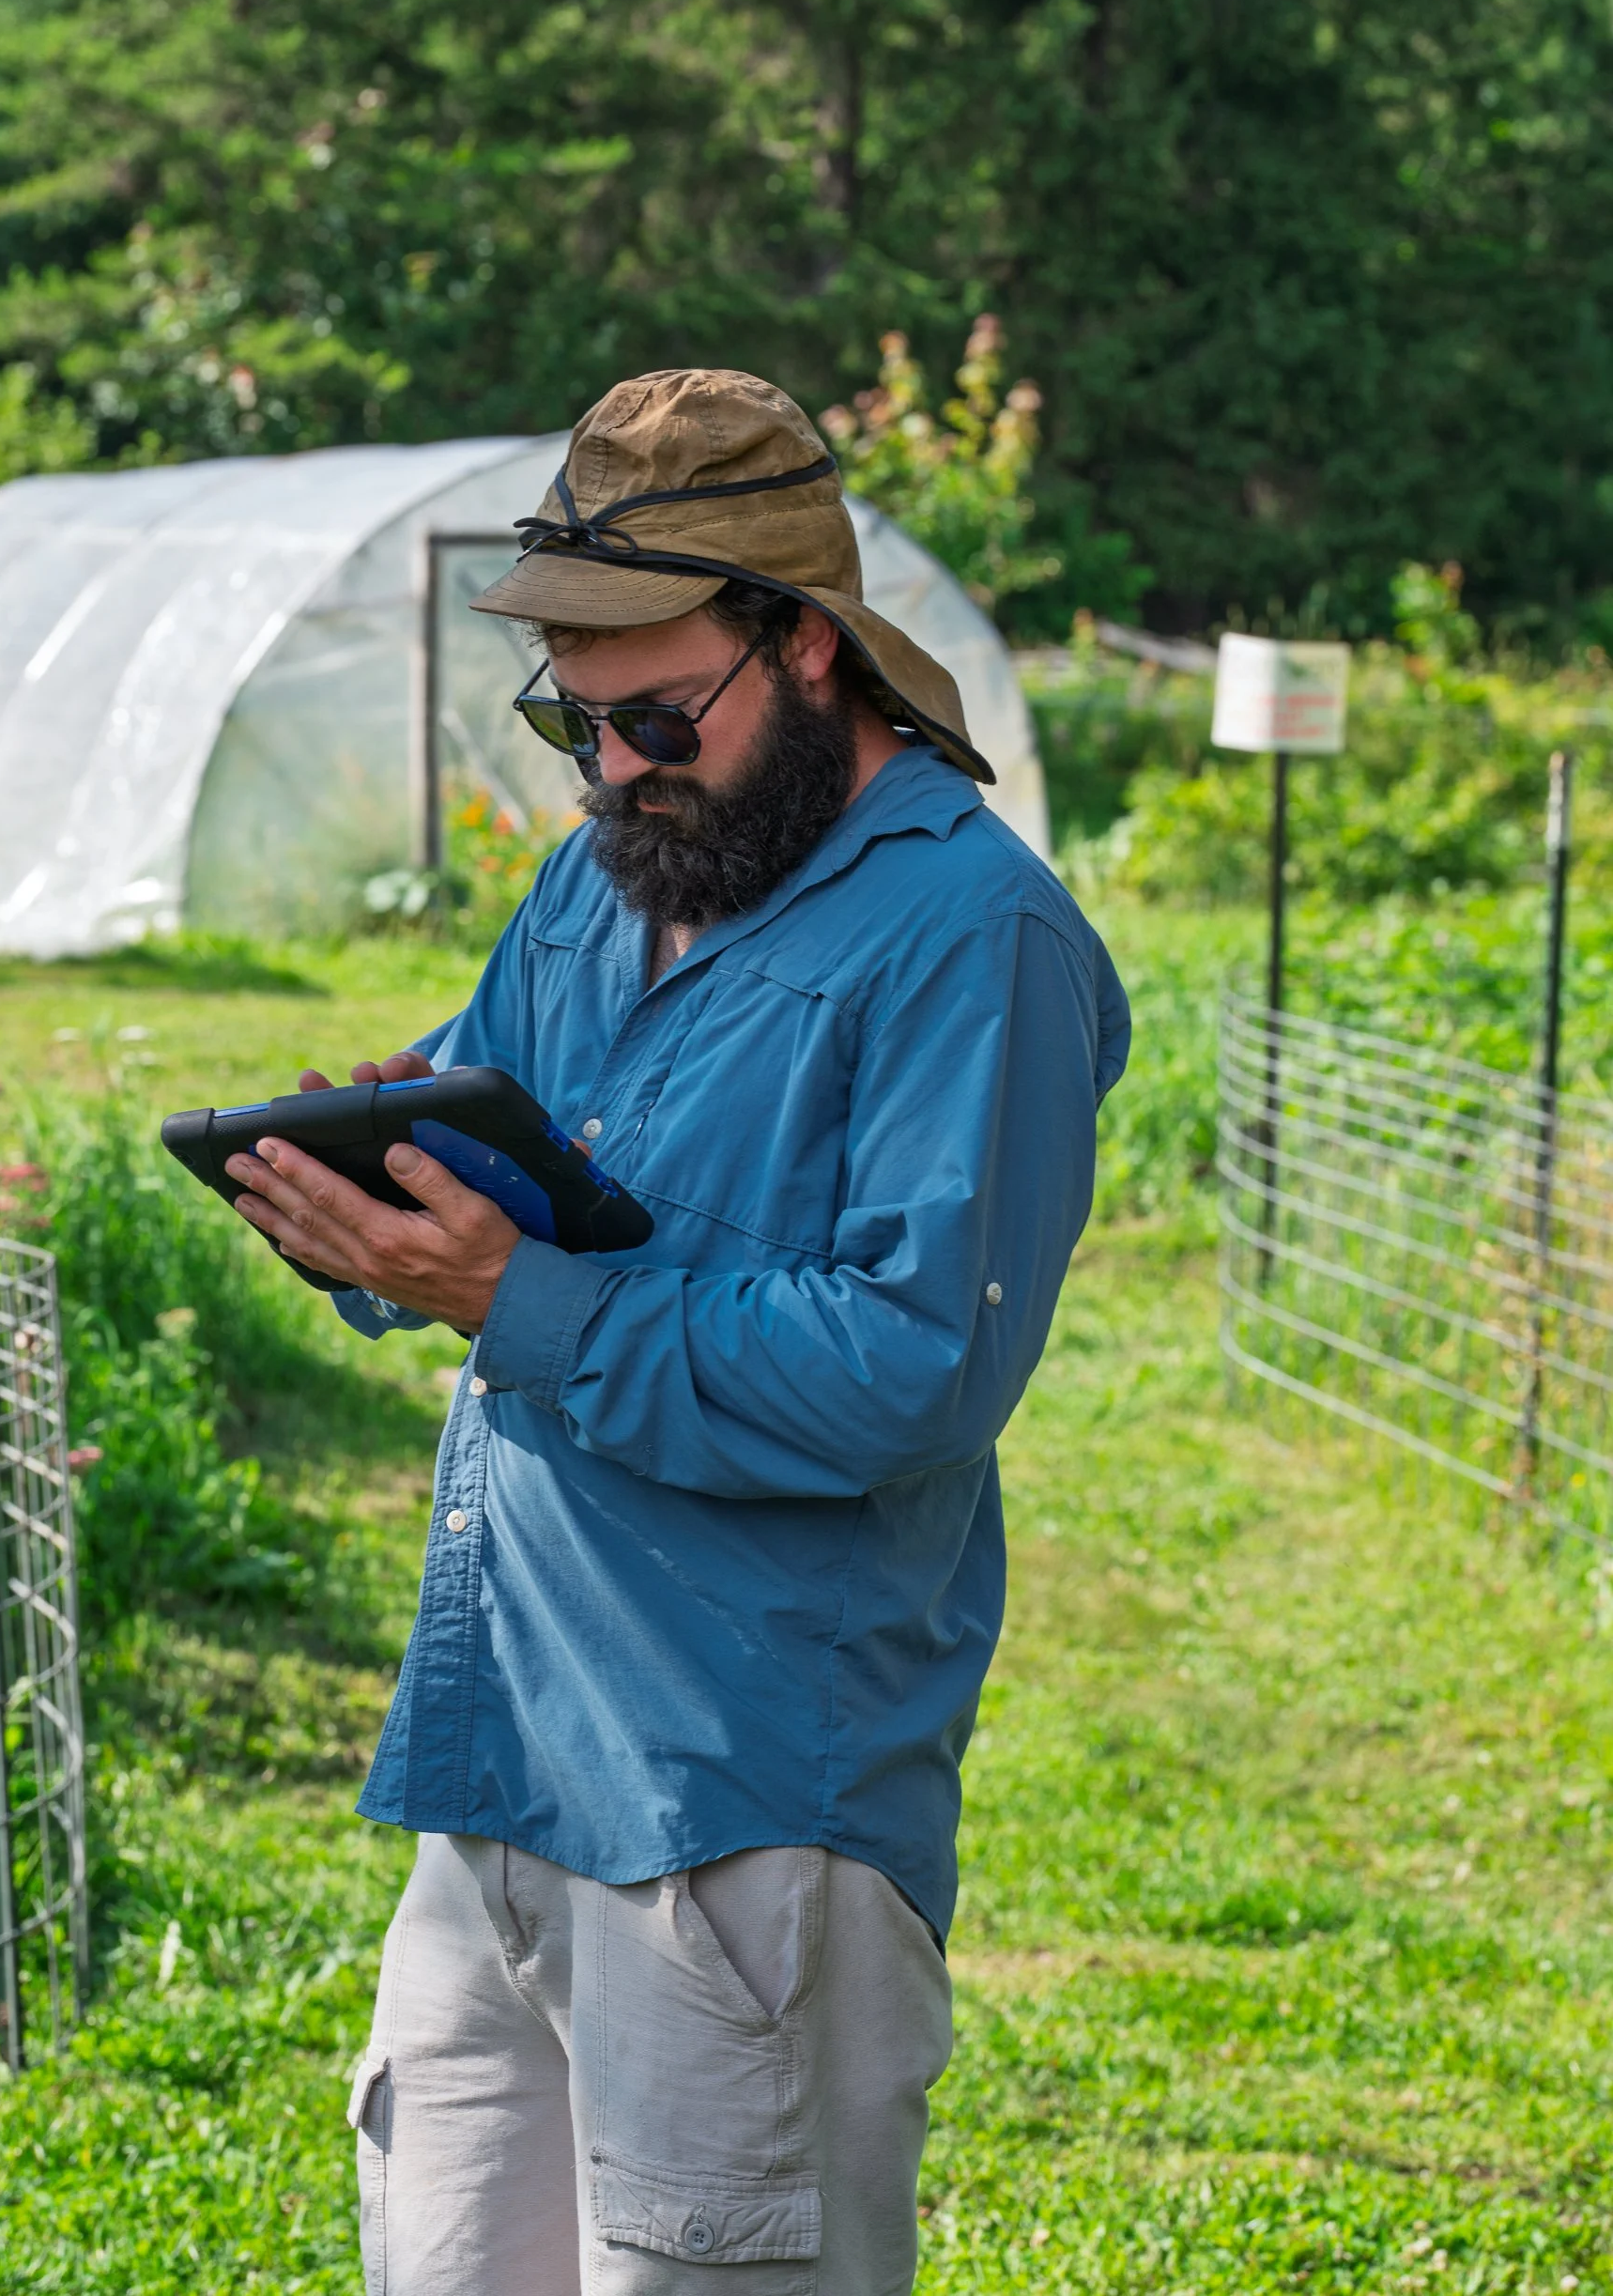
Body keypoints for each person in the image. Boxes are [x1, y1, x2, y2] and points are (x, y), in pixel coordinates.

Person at [223, 369, 1129, 2295]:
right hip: (499, 1762)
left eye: (652, 713)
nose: (611, 765)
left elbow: (913, 1368)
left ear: (808, 647)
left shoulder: (974, 938)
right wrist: (372, 1211)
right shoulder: (600, 878)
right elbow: (514, 1177)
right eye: (573, 715)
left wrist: (516, 1295)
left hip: (742, 1810)